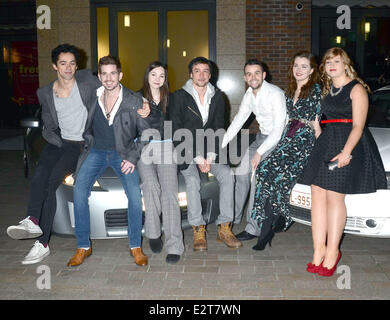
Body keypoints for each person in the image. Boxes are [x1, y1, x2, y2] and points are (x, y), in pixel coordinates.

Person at [6, 44, 100, 264]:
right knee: (39, 174)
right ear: (54, 65)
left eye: (72, 63)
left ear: (78, 65)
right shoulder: (45, 92)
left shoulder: (88, 82)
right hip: (58, 142)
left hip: (78, 144)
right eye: (63, 63)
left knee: (51, 184)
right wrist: (54, 139)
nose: (68, 67)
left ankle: (43, 243)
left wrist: (140, 102)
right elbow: (48, 123)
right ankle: (32, 219)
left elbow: (115, 87)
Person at [302, 47, 387, 276]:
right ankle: (318, 250)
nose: (331, 65)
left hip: (348, 143)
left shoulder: (356, 89)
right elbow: (321, 118)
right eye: (328, 62)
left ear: (345, 64)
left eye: (336, 61)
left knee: (334, 196)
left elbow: (358, 125)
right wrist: (317, 131)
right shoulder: (326, 90)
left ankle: (332, 252)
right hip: (327, 140)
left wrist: (346, 152)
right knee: (316, 193)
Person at [67, 55, 150, 267]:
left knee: (133, 195)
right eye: (104, 74)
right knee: (79, 190)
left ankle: (135, 245)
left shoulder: (134, 100)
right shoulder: (91, 95)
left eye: (113, 73)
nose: (109, 78)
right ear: (99, 76)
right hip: (95, 151)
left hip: (122, 153)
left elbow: (147, 133)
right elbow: (75, 74)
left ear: (120, 75)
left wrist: (132, 157)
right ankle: (83, 246)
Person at [250, 51, 322, 251]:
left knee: (281, 178)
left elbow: (316, 125)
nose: (299, 70)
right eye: (296, 65)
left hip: (303, 141)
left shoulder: (315, 90)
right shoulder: (289, 90)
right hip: (287, 138)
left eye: (304, 66)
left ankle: (270, 227)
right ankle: (272, 223)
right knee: (264, 171)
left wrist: (322, 149)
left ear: (312, 70)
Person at [169, 56, 242, 251]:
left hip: (211, 150)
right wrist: (197, 157)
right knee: (192, 181)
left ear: (210, 75)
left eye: (205, 71)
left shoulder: (218, 97)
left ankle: (224, 227)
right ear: (190, 74)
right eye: (197, 71)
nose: (201, 75)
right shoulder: (178, 97)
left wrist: (209, 156)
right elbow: (176, 130)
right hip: (186, 150)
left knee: (227, 175)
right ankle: (198, 228)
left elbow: (219, 128)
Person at [221, 59, 287, 242]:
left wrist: (259, 153)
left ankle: (253, 228)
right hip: (262, 138)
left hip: (279, 141)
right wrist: (220, 145)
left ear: (264, 75)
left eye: (257, 73)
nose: (253, 77)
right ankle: (231, 219)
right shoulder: (249, 95)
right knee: (241, 173)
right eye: (249, 74)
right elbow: (237, 122)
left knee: (256, 178)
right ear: (244, 77)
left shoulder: (275, 94)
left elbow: (279, 129)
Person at [137, 61, 184, 264]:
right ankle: (153, 233)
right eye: (154, 74)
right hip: (144, 148)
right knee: (150, 186)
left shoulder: (171, 99)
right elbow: (129, 124)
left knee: (170, 194)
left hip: (166, 147)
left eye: (162, 76)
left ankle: (174, 245)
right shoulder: (136, 97)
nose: (157, 79)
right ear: (147, 76)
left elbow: (179, 125)